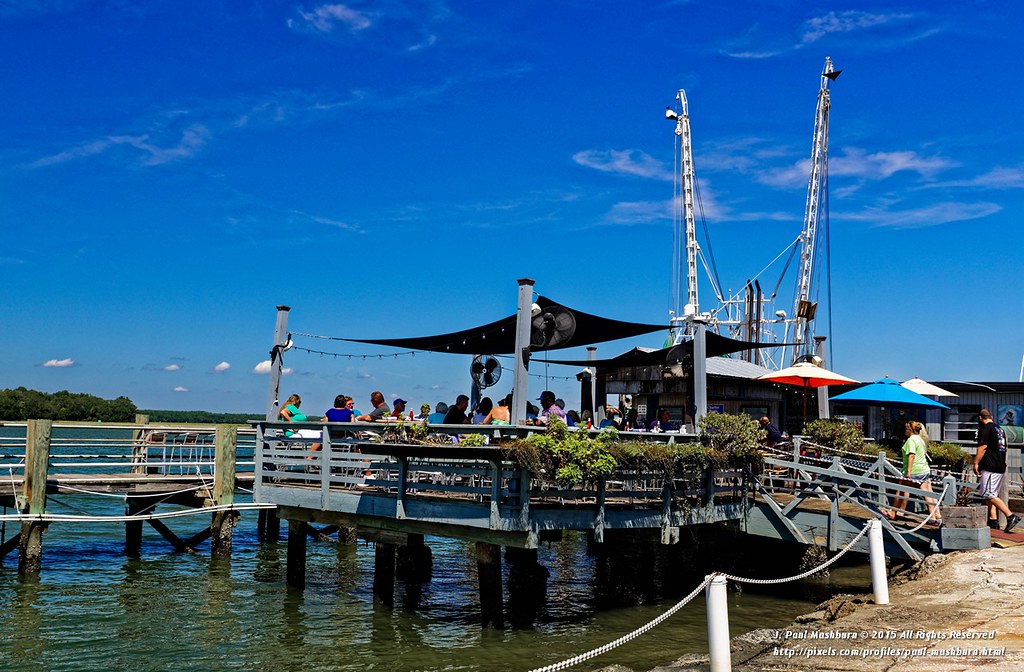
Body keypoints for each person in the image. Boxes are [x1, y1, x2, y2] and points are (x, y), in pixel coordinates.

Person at [975, 409, 1021, 532]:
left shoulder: (986, 429)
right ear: (991, 417)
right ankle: (993, 520)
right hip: (1000, 465)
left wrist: (976, 463)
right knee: (990, 494)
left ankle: (1010, 516)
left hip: (990, 466)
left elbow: (983, 447)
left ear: (980, 418)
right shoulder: (999, 429)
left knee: (988, 494)